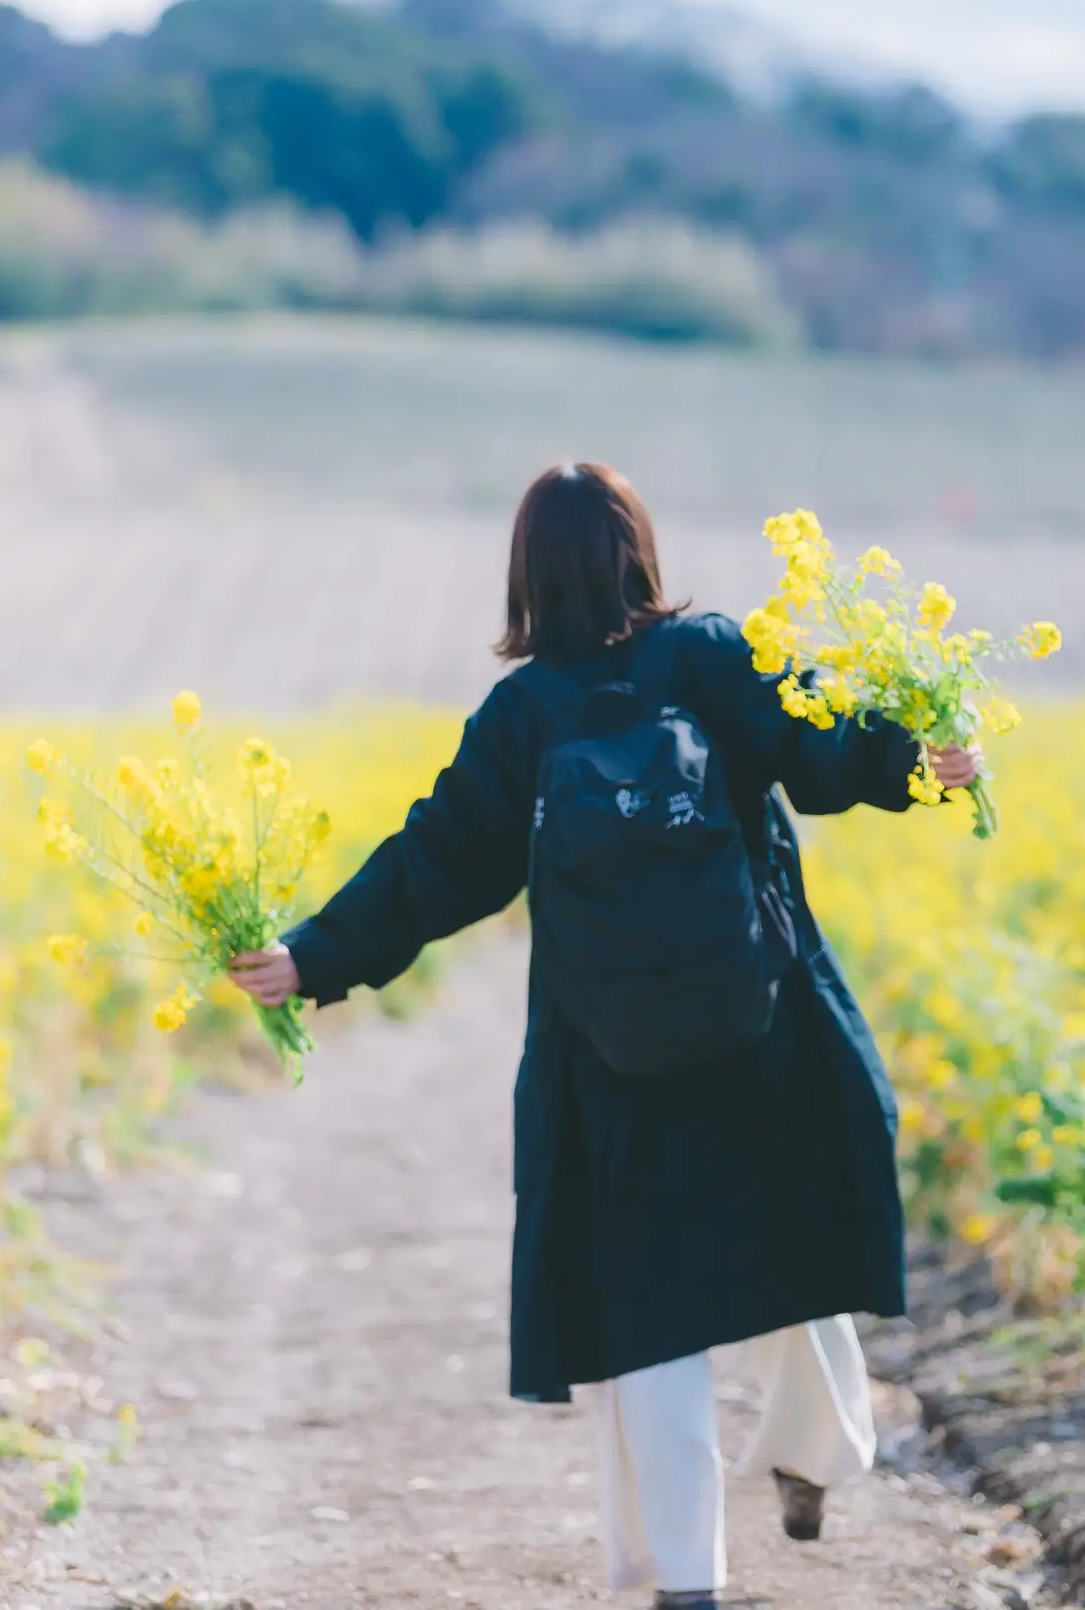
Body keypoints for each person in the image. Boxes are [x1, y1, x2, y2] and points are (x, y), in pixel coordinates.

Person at [232, 462, 979, 1610]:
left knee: (650, 1313)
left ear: (526, 576)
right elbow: (829, 748)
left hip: (611, 1058)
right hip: (758, 1023)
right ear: (641, 549)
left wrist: (312, 954)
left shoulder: (523, 716)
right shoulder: (717, 654)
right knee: (800, 1245)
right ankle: (813, 1453)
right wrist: (920, 763)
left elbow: (434, 862)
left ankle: (683, 1580)